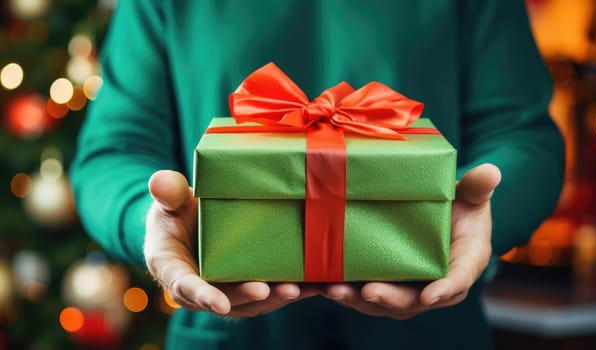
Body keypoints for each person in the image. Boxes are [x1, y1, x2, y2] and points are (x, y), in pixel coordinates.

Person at [70, 0, 564, 348]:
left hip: (435, 333)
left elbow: (523, 135)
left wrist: (486, 209)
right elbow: (114, 150)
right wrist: (150, 216)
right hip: (228, 337)